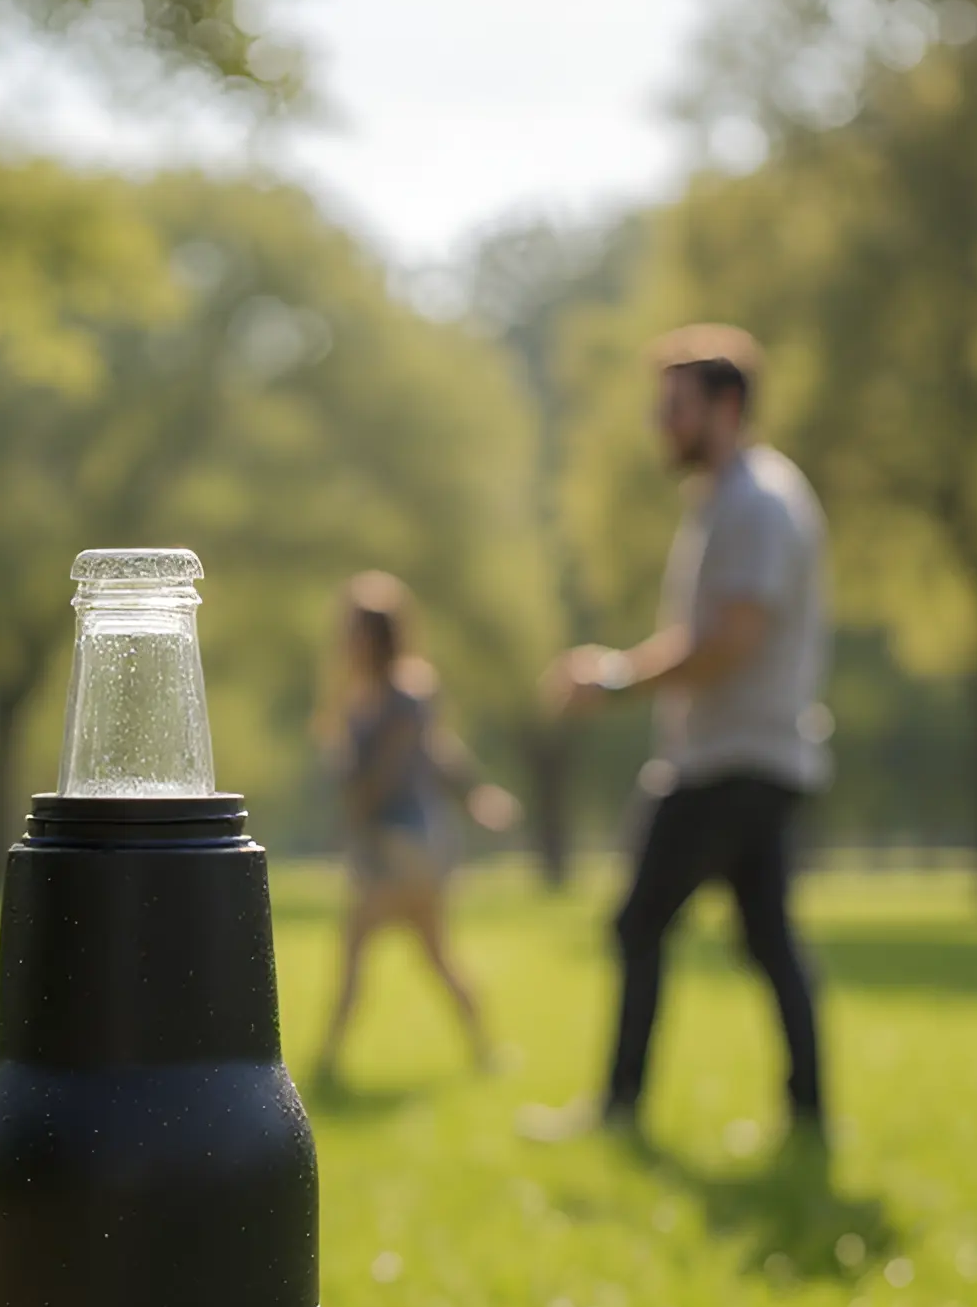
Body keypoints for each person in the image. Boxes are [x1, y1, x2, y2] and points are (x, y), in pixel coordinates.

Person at [536, 325, 830, 1140]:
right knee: (767, 938)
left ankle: (620, 1109)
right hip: (746, 756)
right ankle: (809, 1116)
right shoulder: (726, 500)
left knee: (637, 923)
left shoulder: (757, 503)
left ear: (726, 406)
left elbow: (733, 639)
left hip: (734, 759)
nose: (660, 424)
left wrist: (617, 677)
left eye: (676, 407)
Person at [313, 571, 520, 1085]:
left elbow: (397, 766)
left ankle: (326, 1062)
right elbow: (435, 753)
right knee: (433, 955)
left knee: (360, 948)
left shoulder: (405, 693)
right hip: (396, 842)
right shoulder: (366, 696)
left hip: (404, 843)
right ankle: (485, 1051)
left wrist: (354, 815)